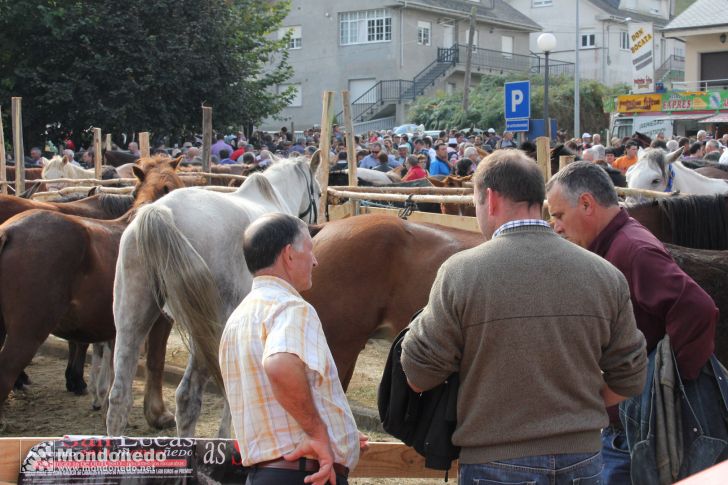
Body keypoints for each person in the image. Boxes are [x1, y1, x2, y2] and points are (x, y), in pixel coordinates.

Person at [401, 150, 647, 485]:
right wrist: (575, 412)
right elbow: (630, 377)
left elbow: (418, 376)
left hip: (493, 461)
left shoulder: (460, 272)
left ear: (489, 198)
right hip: (584, 460)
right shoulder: (605, 274)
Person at [545, 162, 717, 484]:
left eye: (558, 215)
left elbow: (698, 309)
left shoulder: (633, 250)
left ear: (586, 204)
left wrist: (655, 386)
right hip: (624, 426)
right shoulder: (616, 245)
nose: (555, 226)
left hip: (630, 432)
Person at [219, 213, 366, 485]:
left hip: (264, 474)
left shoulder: (238, 319)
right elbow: (280, 365)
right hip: (303, 475)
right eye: (310, 250)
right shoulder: (291, 307)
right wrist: (319, 434)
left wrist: (338, 428)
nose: (315, 260)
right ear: (288, 255)